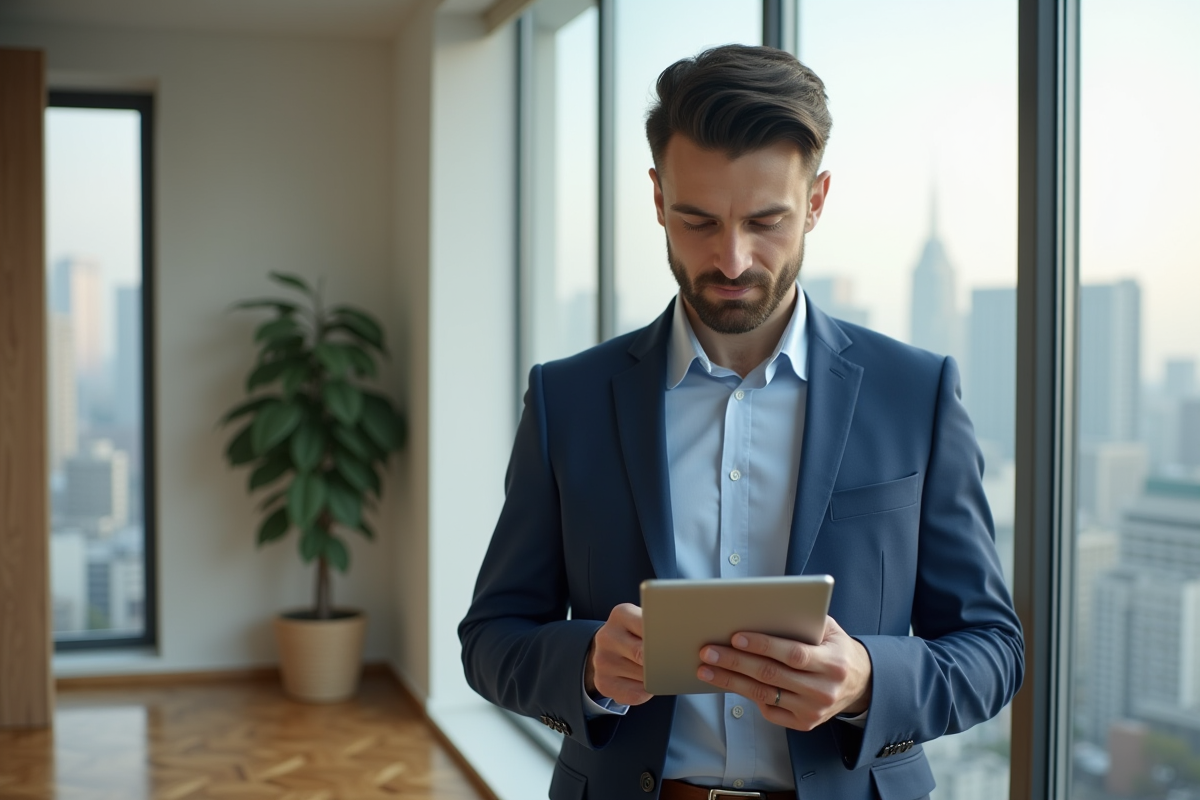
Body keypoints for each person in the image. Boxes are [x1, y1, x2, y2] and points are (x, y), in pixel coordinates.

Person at [459, 44, 1023, 800]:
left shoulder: (915, 392)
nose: (731, 259)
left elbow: (993, 650)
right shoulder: (569, 398)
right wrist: (587, 665)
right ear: (657, 198)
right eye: (697, 221)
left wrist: (867, 681)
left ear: (817, 202)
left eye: (767, 221)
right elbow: (491, 638)